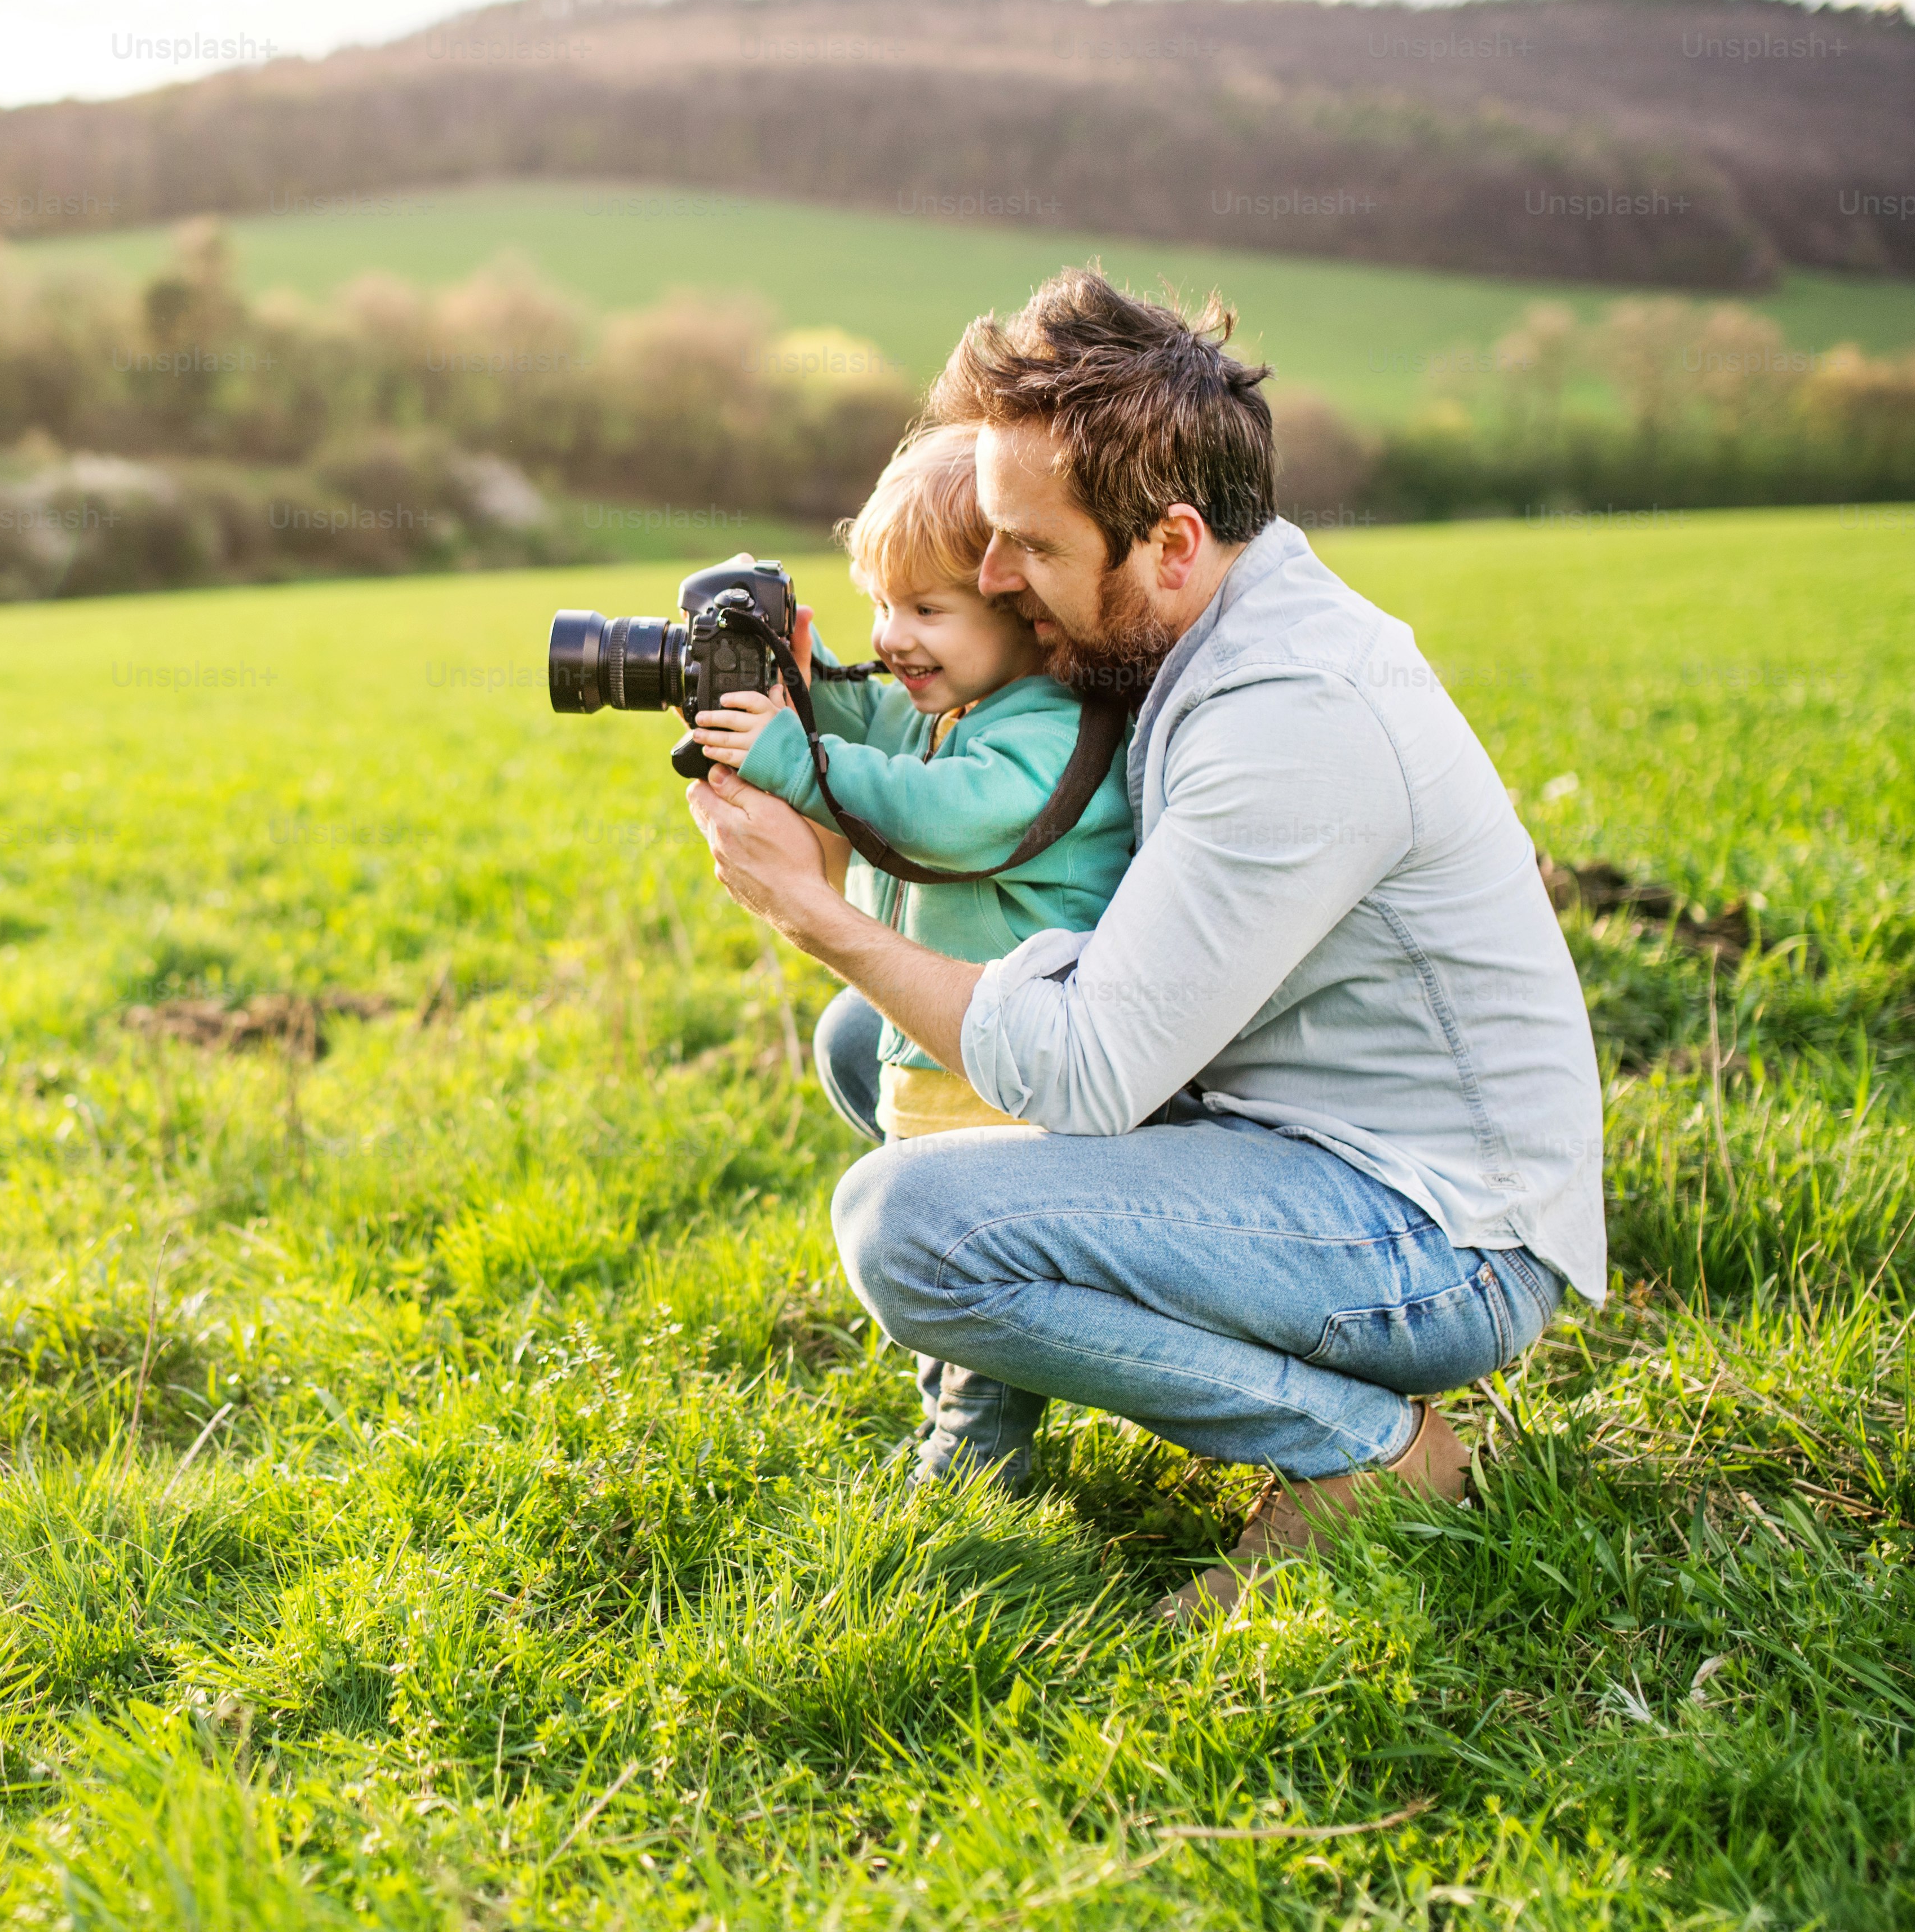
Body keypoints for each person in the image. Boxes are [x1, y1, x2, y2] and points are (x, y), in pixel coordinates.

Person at [684, 267, 1607, 1620]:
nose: (993, 578)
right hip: (1288, 1130)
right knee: (865, 1046)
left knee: (909, 1228)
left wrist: (817, 916)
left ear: (1170, 544)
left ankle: (1365, 1454)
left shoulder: (1285, 715)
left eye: (1030, 550)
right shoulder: (1198, 632)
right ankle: (1026, 1414)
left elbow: (1094, 1068)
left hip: (1432, 1235)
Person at [685, 426, 1134, 1143]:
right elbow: (867, 724)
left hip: (1018, 1093)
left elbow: (942, 814)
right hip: (935, 1061)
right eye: (880, 605)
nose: (891, 638)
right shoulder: (943, 702)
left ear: (1022, 604)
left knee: (927, 1226)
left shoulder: (1054, 730)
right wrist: (790, 659)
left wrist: (796, 760)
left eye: (926, 610)